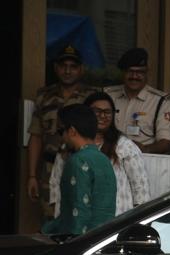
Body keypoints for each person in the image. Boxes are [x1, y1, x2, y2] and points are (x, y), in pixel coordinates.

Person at [49, 92, 150, 217]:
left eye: (107, 112)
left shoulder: (125, 146)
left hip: (117, 222)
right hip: (76, 222)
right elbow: (56, 183)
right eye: (96, 111)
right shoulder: (68, 145)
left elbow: (141, 189)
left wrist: (136, 222)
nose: (103, 116)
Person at [27, 44, 97, 220]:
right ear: (56, 68)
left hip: (81, 167)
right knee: (51, 220)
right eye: (63, 66)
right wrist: (32, 176)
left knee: (80, 217)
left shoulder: (92, 96)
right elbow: (36, 136)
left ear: (81, 69)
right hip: (49, 170)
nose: (68, 71)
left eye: (73, 66)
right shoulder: (44, 95)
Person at [42, 104, 116, 236]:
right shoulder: (104, 159)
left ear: (71, 131)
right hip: (102, 239)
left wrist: (73, 245)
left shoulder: (78, 160)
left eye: (61, 131)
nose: (61, 137)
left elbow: (78, 211)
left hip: (81, 243)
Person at [105, 48, 170, 154]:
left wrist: (142, 150)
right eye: (130, 71)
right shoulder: (108, 96)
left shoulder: (160, 101)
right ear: (123, 72)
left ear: (147, 72)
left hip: (143, 161)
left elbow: (165, 142)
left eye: (140, 72)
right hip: (108, 157)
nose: (134, 76)